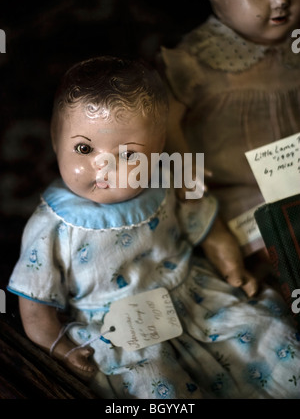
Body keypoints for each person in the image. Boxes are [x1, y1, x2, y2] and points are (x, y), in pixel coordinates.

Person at [7, 56, 300, 399]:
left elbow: (207, 228)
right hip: (121, 326)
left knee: (268, 334)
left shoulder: (166, 187)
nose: (102, 167)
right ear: (56, 140)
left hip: (195, 295)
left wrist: (233, 268)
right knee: (154, 386)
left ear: (159, 152)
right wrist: (62, 349)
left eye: (128, 154)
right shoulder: (53, 225)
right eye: (84, 148)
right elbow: (35, 306)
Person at [160, 0, 300, 287]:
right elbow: (166, 129)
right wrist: (190, 189)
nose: (281, 1)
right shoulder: (197, 62)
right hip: (235, 189)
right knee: (280, 252)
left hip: (294, 172)